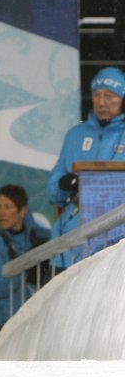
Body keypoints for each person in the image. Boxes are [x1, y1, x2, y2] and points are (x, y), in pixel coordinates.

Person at [47, 66, 125, 267]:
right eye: (97, 95)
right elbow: (53, 189)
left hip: (117, 243)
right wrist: (64, 184)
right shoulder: (75, 134)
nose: (101, 102)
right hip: (74, 240)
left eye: (110, 96)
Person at [0, 184, 50, 360]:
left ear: (22, 211)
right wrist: (27, 267)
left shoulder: (40, 237)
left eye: (7, 207)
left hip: (33, 321)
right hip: (0, 323)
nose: (1, 212)